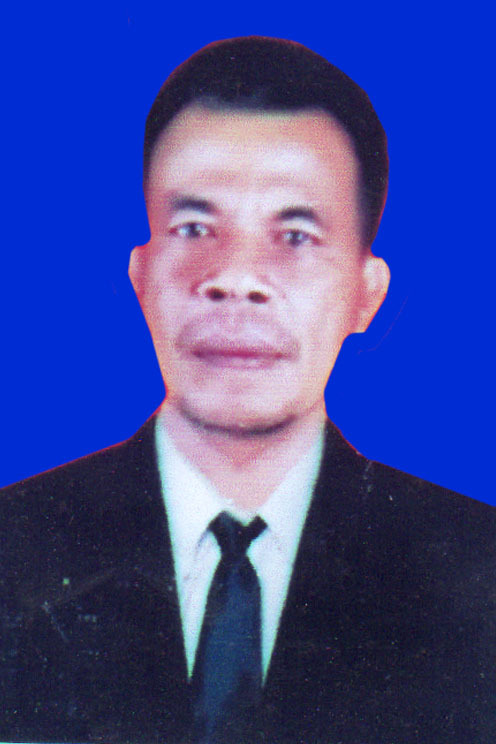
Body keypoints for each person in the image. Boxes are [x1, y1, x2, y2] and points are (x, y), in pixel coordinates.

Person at [1, 36, 495, 744]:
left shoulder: (477, 573)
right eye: (194, 227)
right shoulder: (14, 547)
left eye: (295, 236)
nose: (234, 277)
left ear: (367, 292)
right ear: (142, 276)